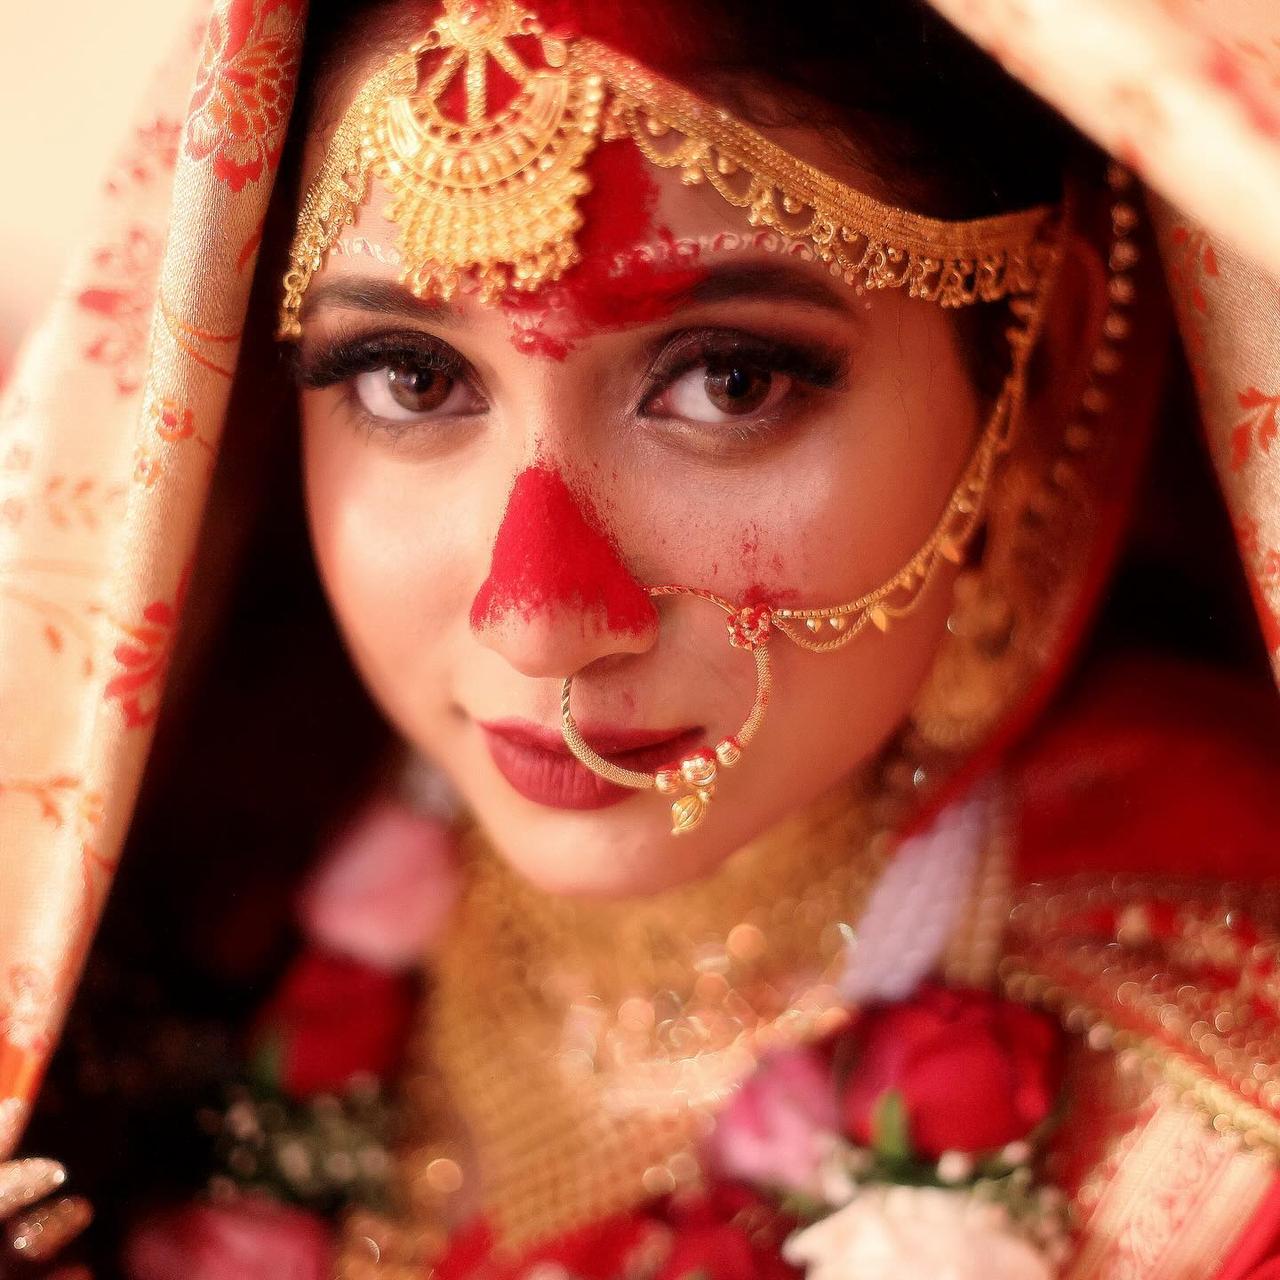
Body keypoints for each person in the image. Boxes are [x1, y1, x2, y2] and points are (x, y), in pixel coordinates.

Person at [2, 0, 1280, 1275]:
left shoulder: (1208, 1110)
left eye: (728, 379)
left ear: (1034, 371)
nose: (542, 617)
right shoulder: (162, 929)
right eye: (410, 375)